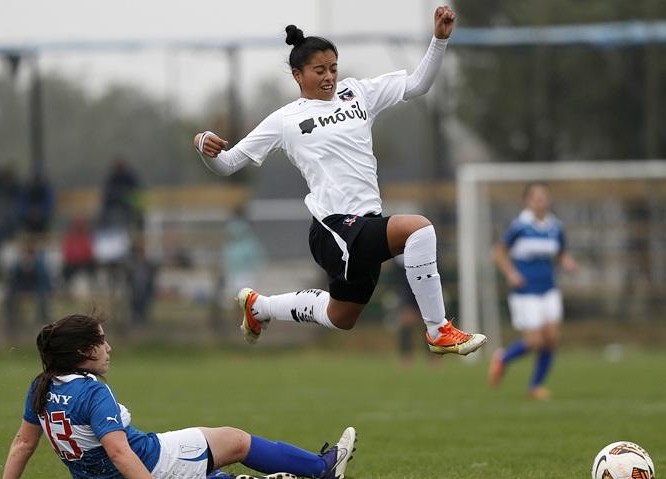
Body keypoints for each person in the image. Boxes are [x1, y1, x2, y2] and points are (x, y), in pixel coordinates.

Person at [194, 5, 486, 356]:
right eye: (319, 70)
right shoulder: (285, 119)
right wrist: (203, 146)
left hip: (365, 223)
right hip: (333, 227)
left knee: (342, 316)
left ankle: (260, 307)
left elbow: (418, 84)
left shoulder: (358, 93)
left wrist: (439, 40)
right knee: (419, 229)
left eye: (333, 67)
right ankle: (439, 330)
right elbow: (227, 165)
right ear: (297, 75)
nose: (329, 76)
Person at [0, 314, 356, 479]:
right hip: (150, 468)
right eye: (101, 342)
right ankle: (322, 468)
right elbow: (120, 452)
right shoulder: (92, 393)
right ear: (81, 353)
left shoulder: (41, 386)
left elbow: (22, 444)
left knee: (200, 447)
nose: (109, 348)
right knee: (236, 440)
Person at [488, 183, 578, 400]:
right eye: (536, 198)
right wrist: (511, 273)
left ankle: (535, 386)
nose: (541, 201)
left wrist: (568, 262)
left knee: (551, 339)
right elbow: (499, 253)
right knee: (534, 341)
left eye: (544, 197)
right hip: (526, 290)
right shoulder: (519, 226)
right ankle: (503, 357)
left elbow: (562, 252)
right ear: (527, 201)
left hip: (549, 288)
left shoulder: (555, 226)